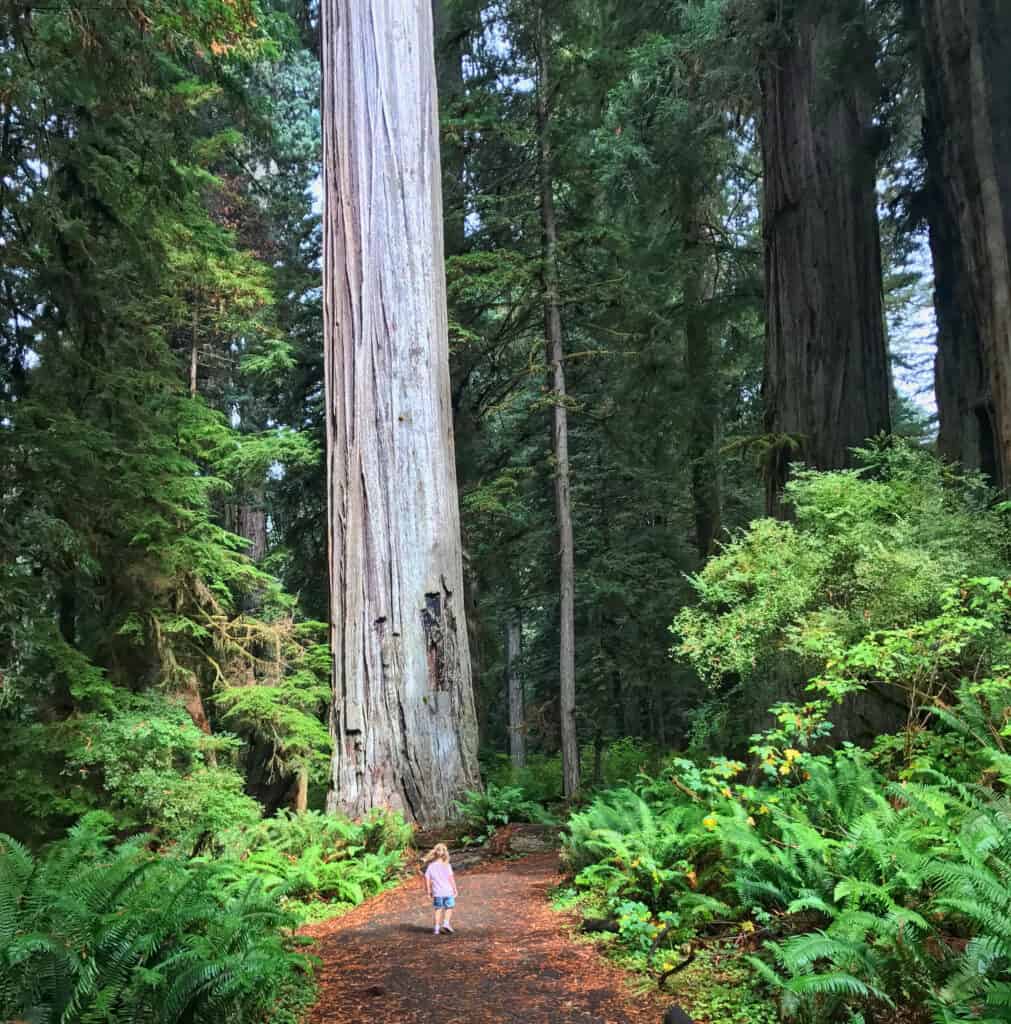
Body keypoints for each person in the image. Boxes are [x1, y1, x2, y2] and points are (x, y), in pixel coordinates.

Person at [423, 843, 458, 935]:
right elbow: (451, 878)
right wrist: (455, 889)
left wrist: (428, 891)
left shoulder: (430, 866)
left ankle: (436, 929)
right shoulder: (447, 865)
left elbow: (427, 878)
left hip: (437, 892)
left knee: (438, 909)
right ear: (445, 853)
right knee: (449, 907)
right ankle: (446, 923)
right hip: (448, 891)